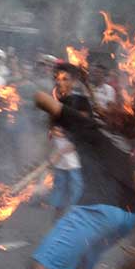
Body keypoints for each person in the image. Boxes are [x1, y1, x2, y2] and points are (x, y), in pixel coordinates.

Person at [30, 62, 135, 269]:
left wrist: (47, 89)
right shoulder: (123, 141)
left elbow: (40, 99)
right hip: (127, 216)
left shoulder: (87, 126)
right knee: (86, 262)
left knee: (39, 268)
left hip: (99, 209)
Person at [48, 69, 85, 220]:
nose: (60, 82)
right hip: (59, 147)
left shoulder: (78, 101)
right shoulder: (54, 98)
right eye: (58, 79)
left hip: (72, 150)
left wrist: (73, 144)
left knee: (77, 185)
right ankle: (58, 215)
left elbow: (83, 126)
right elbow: (52, 125)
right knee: (60, 183)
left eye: (65, 79)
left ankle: (74, 216)